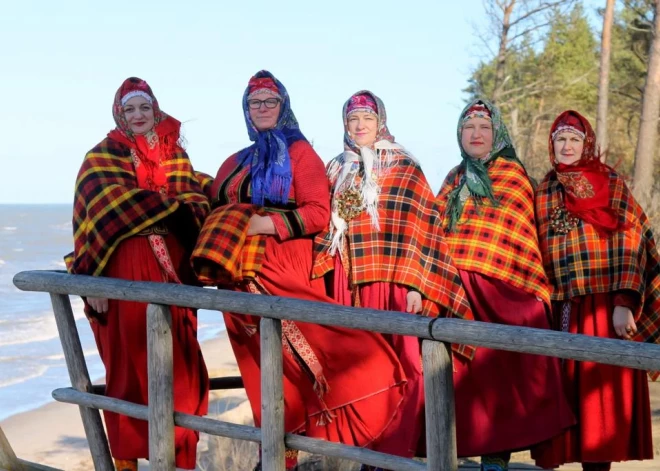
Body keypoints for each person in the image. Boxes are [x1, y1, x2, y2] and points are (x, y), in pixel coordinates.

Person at [191, 71, 407, 471]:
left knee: (319, 352)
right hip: (239, 275)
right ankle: (274, 454)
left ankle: (376, 429)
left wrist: (264, 224)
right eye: (255, 103)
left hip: (284, 266)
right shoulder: (235, 160)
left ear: (284, 105)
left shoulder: (300, 154)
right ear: (246, 110)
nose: (263, 109)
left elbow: (317, 214)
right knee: (258, 366)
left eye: (270, 101)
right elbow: (212, 201)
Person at [312, 90, 474, 467]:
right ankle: (366, 449)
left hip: (395, 281)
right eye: (353, 119)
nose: (360, 125)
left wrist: (417, 283)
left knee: (403, 363)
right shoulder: (336, 167)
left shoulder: (404, 165)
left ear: (380, 120)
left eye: (367, 117)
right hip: (347, 281)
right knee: (357, 367)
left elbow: (422, 227)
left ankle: (396, 449)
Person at [65, 77, 210, 471]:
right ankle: (126, 462)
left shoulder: (175, 155)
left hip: (171, 270)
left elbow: (195, 200)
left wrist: (175, 205)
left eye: (145, 108)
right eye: (130, 109)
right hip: (124, 267)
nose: (139, 115)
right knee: (128, 367)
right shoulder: (100, 157)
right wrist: (92, 276)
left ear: (156, 110)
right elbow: (93, 216)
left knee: (182, 366)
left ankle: (180, 462)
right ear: (119, 114)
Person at [435, 99, 574, 471]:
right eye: (469, 128)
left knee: (503, 378)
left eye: (484, 127)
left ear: (496, 132)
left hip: (504, 288)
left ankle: (496, 457)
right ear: (459, 135)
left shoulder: (512, 174)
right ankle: (449, 450)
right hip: (455, 289)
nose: (476, 134)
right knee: (462, 380)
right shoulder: (452, 178)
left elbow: (518, 236)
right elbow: (436, 232)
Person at [531, 110, 660, 471]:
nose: (567, 146)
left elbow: (632, 242)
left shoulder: (609, 182)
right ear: (551, 145)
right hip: (561, 308)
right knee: (563, 403)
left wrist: (625, 302)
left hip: (604, 308)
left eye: (574, 139)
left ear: (586, 143)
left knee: (599, 404)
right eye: (560, 139)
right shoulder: (543, 190)